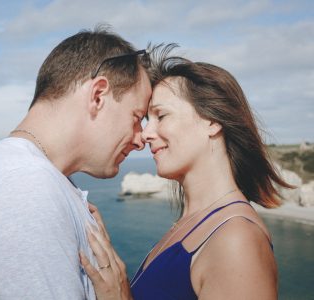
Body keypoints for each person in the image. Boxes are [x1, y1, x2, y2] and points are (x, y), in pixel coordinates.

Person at [0, 27, 151, 299]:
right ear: (98, 96)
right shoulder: (23, 184)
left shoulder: (36, 177)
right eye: (137, 117)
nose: (142, 139)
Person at [80, 47, 292, 299]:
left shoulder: (236, 240)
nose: (146, 134)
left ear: (212, 122)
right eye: (147, 119)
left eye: (161, 115)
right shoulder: (191, 224)